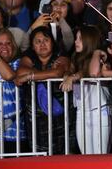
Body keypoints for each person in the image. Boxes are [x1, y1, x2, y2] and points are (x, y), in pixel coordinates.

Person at [15, 26, 72, 154]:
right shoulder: (28, 57)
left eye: (46, 40)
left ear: (52, 42)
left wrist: (31, 76)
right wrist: (48, 73)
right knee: (39, 156)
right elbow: (20, 72)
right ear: (32, 46)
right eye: (37, 41)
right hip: (36, 119)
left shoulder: (61, 55)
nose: (42, 44)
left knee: (63, 155)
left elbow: (58, 72)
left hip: (61, 117)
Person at [59, 25, 112, 154]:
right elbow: (69, 72)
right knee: (86, 155)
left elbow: (93, 73)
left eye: (80, 39)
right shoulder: (75, 59)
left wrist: (96, 52)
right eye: (76, 38)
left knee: (100, 155)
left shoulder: (100, 57)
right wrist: (68, 76)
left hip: (99, 111)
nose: (76, 42)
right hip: (81, 112)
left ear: (89, 40)